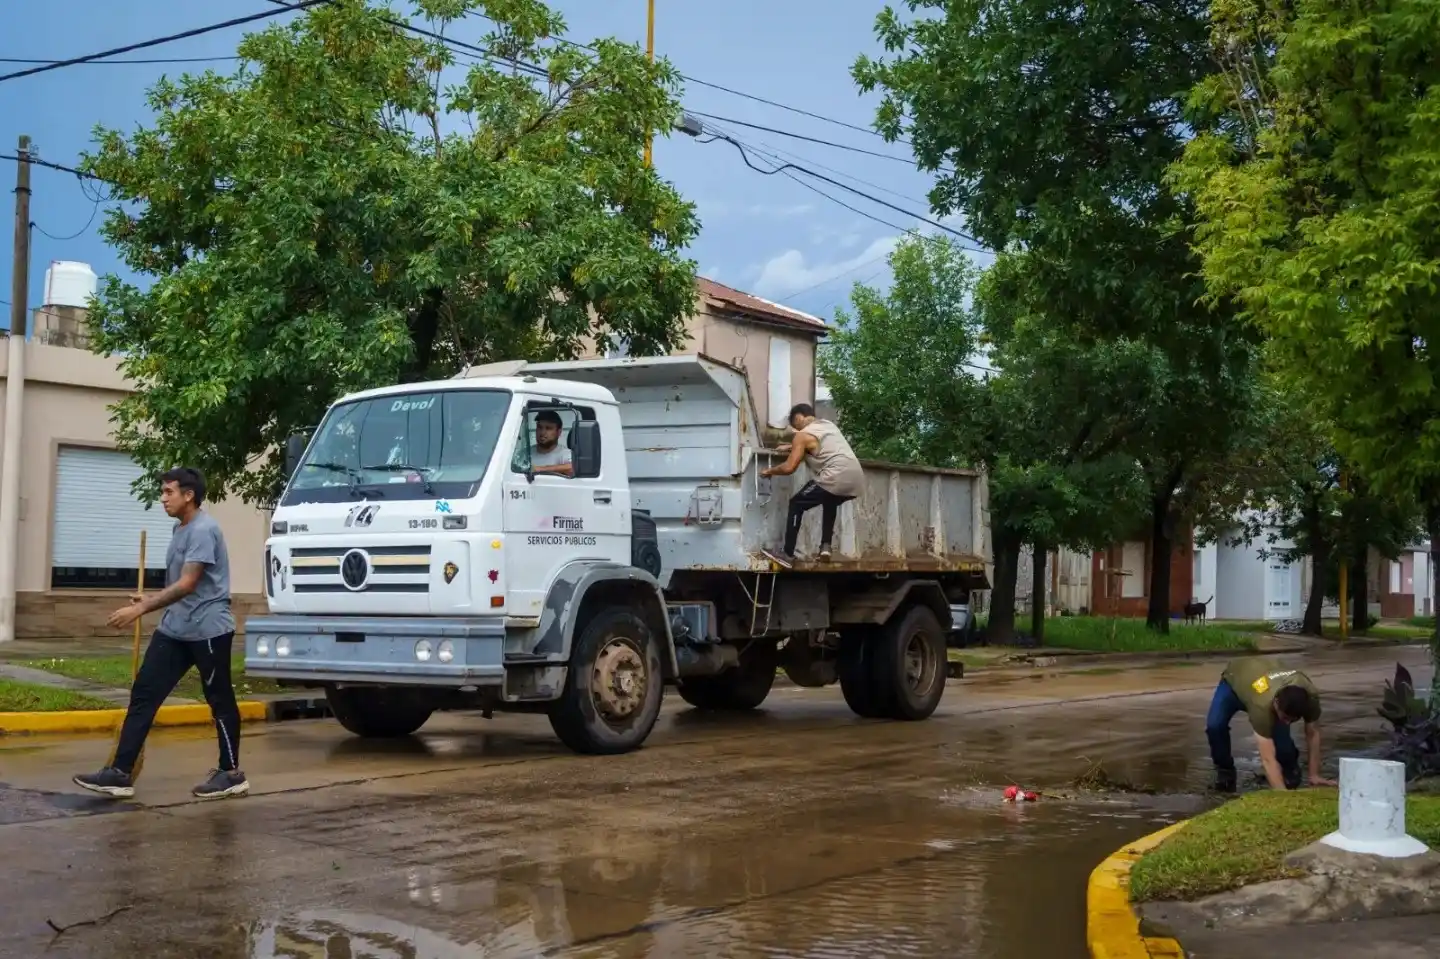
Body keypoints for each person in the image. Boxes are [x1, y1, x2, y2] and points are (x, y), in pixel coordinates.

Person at [73, 467, 248, 801]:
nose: (163, 498)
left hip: (208, 629)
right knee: (144, 693)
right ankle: (120, 772)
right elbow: (180, 583)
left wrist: (142, 608)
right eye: (163, 491)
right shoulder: (179, 529)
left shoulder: (203, 529)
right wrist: (151, 597)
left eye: (169, 492)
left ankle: (231, 773)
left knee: (219, 700)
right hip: (176, 628)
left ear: (189, 495)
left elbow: (190, 583)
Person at [1206, 657, 1336, 793]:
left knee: (1283, 747)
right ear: (1276, 703)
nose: (1287, 723)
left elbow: (1313, 732)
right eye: (1285, 717)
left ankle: (1289, 767)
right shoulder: (1262, 705)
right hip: (1234, 682)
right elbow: (1267, 758)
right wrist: (1282, 795)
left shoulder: (1310, 696)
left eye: (1293, 720)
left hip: (1266, 674)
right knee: (1215, 726)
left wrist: (1314, 775)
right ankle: (1225, 770)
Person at [760, 403, 865, 562]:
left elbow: (789, 467)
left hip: (835, 476)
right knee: (830, 500)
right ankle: (825, 547)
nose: (796, 431)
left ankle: (787, 554)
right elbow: (815, 444)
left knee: (796, 503)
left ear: (798, 417)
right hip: (856, 479)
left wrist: (770, 471)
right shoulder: (828, 425)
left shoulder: (802, 435)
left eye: (795, 426)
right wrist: (792, 446)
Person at [526, 410, 573, 477]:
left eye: (548, 428)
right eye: (539, 427)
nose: (542, 432)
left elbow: (573, 468)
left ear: (559, 432)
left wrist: (540, 469)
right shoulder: (526, 454)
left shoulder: (565, 454)